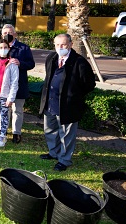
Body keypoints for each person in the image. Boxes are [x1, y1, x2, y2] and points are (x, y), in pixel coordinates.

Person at [39, 34, 96, 171]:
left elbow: (89, 84)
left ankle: (64, 160)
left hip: (68, 106)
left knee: (66, 135)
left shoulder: (79, 62)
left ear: (70, 44)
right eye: (57, 45)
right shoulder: (51, 58)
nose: (60, 47)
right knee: (50, 130)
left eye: (63, 45)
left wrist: (73, 95)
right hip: (50, 103)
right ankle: (54, 153)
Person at [0, 24, 35, 144]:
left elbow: (31, 64)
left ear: (15, 34)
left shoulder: (24, 48)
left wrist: (19, 63)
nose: (7, 35)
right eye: (5, 33)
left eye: (10, 32)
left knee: (18, 110)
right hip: (2, 87)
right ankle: (3, 131)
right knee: (4, 109)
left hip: (19, 85)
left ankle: (17, 133)